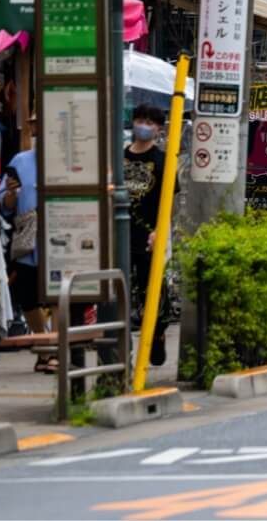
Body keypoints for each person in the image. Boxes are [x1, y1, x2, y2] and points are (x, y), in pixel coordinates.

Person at [122, 104, 172, 366]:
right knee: (122, 291)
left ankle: (158, 333)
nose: (143, 125)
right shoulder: (121, 157)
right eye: (140, 120)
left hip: (149, 236)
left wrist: (160, 232)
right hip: (121, 236)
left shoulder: (163, 161)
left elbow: (168, 200)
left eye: (149, 122)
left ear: (158, 129)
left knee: (150, 288)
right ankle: (125, 349)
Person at [0, 145, 48, 353]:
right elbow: (5, 204)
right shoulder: (20, 160)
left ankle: (52, 347)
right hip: (29, 236)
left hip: (62, 232)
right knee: (27, 295)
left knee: (59, 292)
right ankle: (43, 341)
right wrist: (11, 192)